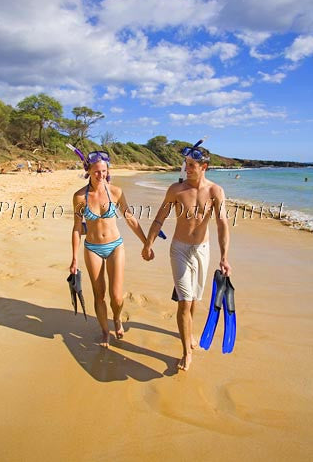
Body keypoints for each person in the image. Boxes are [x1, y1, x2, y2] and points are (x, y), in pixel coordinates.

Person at [142, 145, 231, 371]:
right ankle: (186, 352)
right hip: (179, 249)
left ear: (204, 167)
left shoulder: (215, 192)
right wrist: (148, 243)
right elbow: (160, 218)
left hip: (202, 250)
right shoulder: (176, 190)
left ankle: (188, 332)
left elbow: (222, 225)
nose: (187, 168)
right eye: (186, 165)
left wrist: (224, 257)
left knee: (194, 301)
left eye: (192, 165)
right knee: (184, 302)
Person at [70, 150, 153, 348]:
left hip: (115, 246)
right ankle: (105, 331)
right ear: (88, 171)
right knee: (99, 294)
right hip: (92, 248)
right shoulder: (80, 197)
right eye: (97, 171)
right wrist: (74, 258)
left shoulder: (115, 192)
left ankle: (116, 318)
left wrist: (146, 242)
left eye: (104, 171)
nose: (101, 175)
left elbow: (130, 218)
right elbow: (76, 228)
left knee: (116, 295)